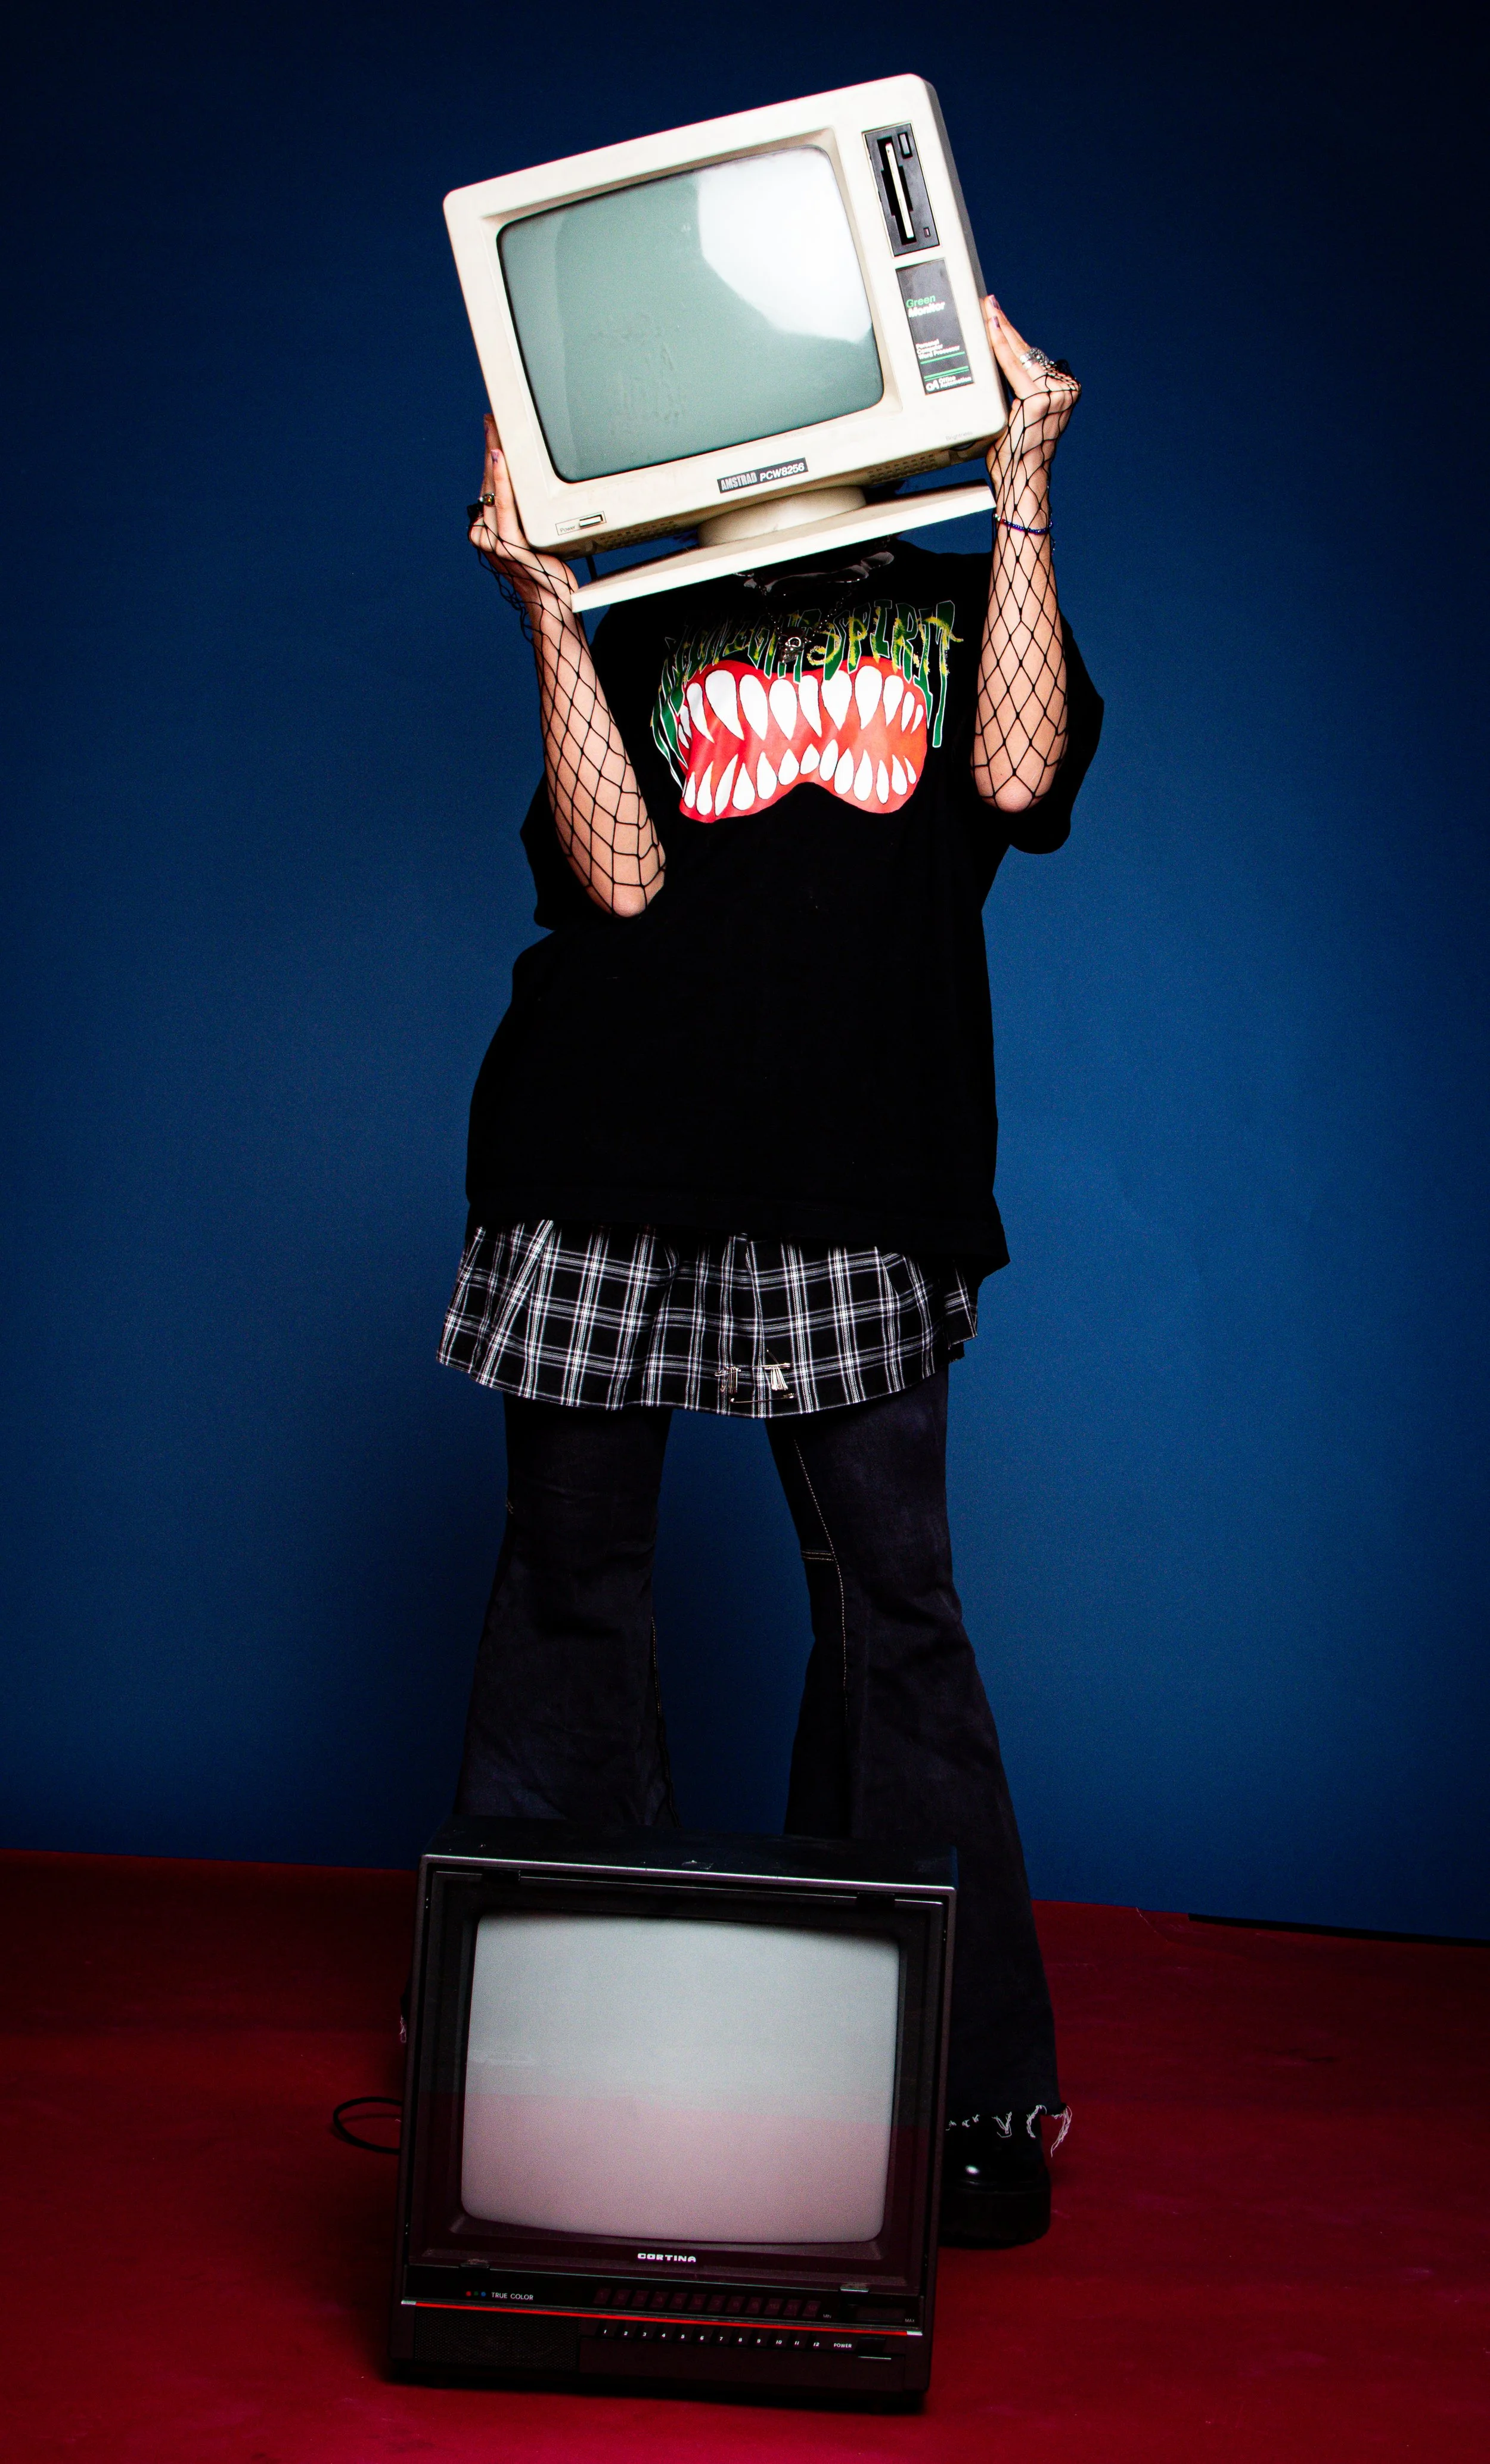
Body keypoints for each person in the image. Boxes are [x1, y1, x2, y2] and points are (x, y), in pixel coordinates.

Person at [440, 295, 1103, 2247]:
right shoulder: (641, 627)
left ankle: (961, 2093)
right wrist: (553, 603)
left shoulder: (970, 599)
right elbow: (617, 883)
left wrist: (1023, 485)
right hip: (594, 1173)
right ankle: (535, 2071)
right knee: (569, 1598)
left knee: (896, 1613)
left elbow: (1013, 785)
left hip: (855, 1181)